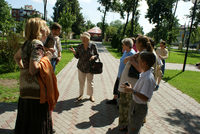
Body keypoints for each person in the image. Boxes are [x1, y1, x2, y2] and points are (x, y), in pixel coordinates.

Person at [14, 18, 54, 134]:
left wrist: (22, 68)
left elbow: (17, 57)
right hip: (37, 93)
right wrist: (47, 58)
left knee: (25, 125)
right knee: (37, 127)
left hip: (25, 91)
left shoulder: (27, 43)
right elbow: (33, 69)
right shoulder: (37, 44)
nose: (47, 30)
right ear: (39, 30)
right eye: (45, 28)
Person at [117, 35, 153, 132]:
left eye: (136, 42)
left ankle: (126, 125)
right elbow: (125, 61)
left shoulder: (144, 55)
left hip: (132, 84)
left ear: (140, 44)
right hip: (130, 84)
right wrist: (131, 58)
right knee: (128, 106)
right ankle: (128, 125)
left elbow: (141, 70)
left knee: (127, 106)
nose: (135, 43)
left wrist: (132, 61)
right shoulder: (138, 53)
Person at [122, 51, 156, 134]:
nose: (138, 62)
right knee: (132, 125)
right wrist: (132, 88)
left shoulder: (148, 78)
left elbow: (145, 97)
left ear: (144, 63)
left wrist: (132, 90)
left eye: (139, 60)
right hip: (135, 104)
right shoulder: (144, 73)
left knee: (134, 128)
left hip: (139, 107)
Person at [69, 32, 99, 102]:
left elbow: (97, 55)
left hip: (90, 68)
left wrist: (94, 56)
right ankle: (81, 95)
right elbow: (77, 57)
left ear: (88, 39)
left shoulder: (93, 46)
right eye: (82, 38)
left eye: (85, 38)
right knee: (81, 82)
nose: (83, 39)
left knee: (90, 82)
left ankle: (91, 96)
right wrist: (74, 53)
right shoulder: (79, 46)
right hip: (81, 67)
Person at [106, 38, 136, 105]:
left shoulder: (132, 53)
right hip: (120, 73)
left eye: (123, 45)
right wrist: (124, 50)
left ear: (127, 45)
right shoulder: (126, 51)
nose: (122, 46)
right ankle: (115, 100)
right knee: (117, 87)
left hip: (125, 75)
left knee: (122, 89)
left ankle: (121, 103)